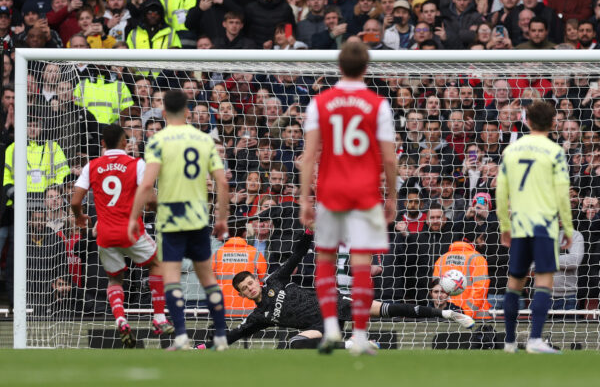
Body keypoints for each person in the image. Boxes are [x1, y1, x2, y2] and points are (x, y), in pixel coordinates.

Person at [197, 231, 474, 350]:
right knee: (294, 344)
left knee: (385, 309)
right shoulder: (259, 316)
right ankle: (351, 344)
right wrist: (203, 347)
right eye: (245, 288)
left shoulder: (274, 280)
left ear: (256, 280)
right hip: (320, 326)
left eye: (250, 282)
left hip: (334, 304)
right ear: (245, 295)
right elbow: (231, 336)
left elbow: (296, 255)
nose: (250, 286)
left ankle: (447, 314)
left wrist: (308, 232)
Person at [299, 42, 397, 355]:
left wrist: (305, 198)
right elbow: (390, 159)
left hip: (330, 192)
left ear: (338, 67)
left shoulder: (320, 103)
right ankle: (358, 336)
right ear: (366, 67)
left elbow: (308, 155)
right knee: (362, 266)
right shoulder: (378, 104)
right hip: (365, 194)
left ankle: (329, 328)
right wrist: (391, 196)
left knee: (325, 261)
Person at [127, 90, 230, 351]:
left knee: (171, 279)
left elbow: (147, 183)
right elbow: (222, 180)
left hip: (171, 220)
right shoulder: (203, 139)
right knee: (208, 279)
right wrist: (221, 218)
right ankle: (220, 336)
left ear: (163, 113)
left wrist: (133, 217)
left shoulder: (157, 141)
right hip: (198, 218)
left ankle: (182, 337)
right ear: (188, 112)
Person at [71, 124, 174, 348]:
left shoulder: (92, 166)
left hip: (105, 233)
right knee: (157, 266)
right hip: (131, 230)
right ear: (125, 143)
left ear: (102, 144)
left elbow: (75, 201)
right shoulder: (136, 164)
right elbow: (151, 199)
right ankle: (158, 319)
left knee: (115, 278)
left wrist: (80, 217)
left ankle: (120, 318)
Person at [496, 100, 574, 354]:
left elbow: (500, 191)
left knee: (514, 283)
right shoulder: (555, 152)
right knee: (543, 282)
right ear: (554, 123)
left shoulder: (512, 150)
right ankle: (534, 340)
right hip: (544, 226)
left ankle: (509, 342)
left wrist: (504, 224)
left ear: (526, 121)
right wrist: (568, 228)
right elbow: (563, 194)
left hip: (518, 225)